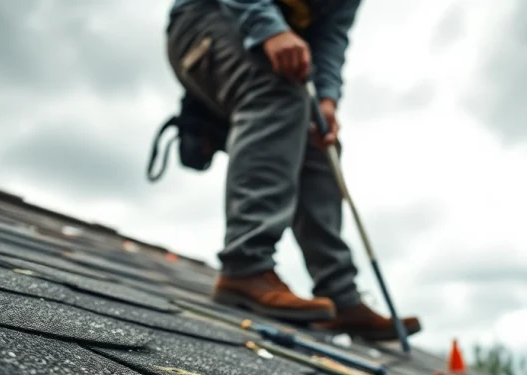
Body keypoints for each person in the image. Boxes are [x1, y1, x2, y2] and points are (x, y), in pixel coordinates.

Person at [165, 0, 421, 342]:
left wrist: (328, 99)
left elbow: (331, 40)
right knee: (277, 93)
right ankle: (246, 267)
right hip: (205, 19)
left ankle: (340, 296)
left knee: (317, 136)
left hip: (264, 35)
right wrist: (270, 28)